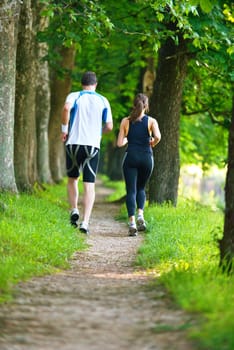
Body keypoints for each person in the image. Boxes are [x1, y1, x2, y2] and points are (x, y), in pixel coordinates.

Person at [61, 71, 113, 234]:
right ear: (95, 84)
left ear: (81, 83)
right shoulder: (103, 100)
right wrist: (99, 133)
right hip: (92, 146)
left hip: (73, 144)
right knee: (89, 185)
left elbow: (66, 108)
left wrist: (64, 130)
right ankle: (85, 222)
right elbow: (110, 126)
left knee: (72, 179)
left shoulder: (74, 95)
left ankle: (74, 209)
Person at [117, 93, 161, 236]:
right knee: (141, 188)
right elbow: (158, 137)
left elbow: (120, 143)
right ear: (146, 106)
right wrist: (152, 143)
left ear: (133, 105)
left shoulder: (125, 121)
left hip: (131, 157)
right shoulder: (151, 121)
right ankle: (140, 215)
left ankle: (132, 223)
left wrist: (127, 140)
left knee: (131, 190)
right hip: (146, 158)